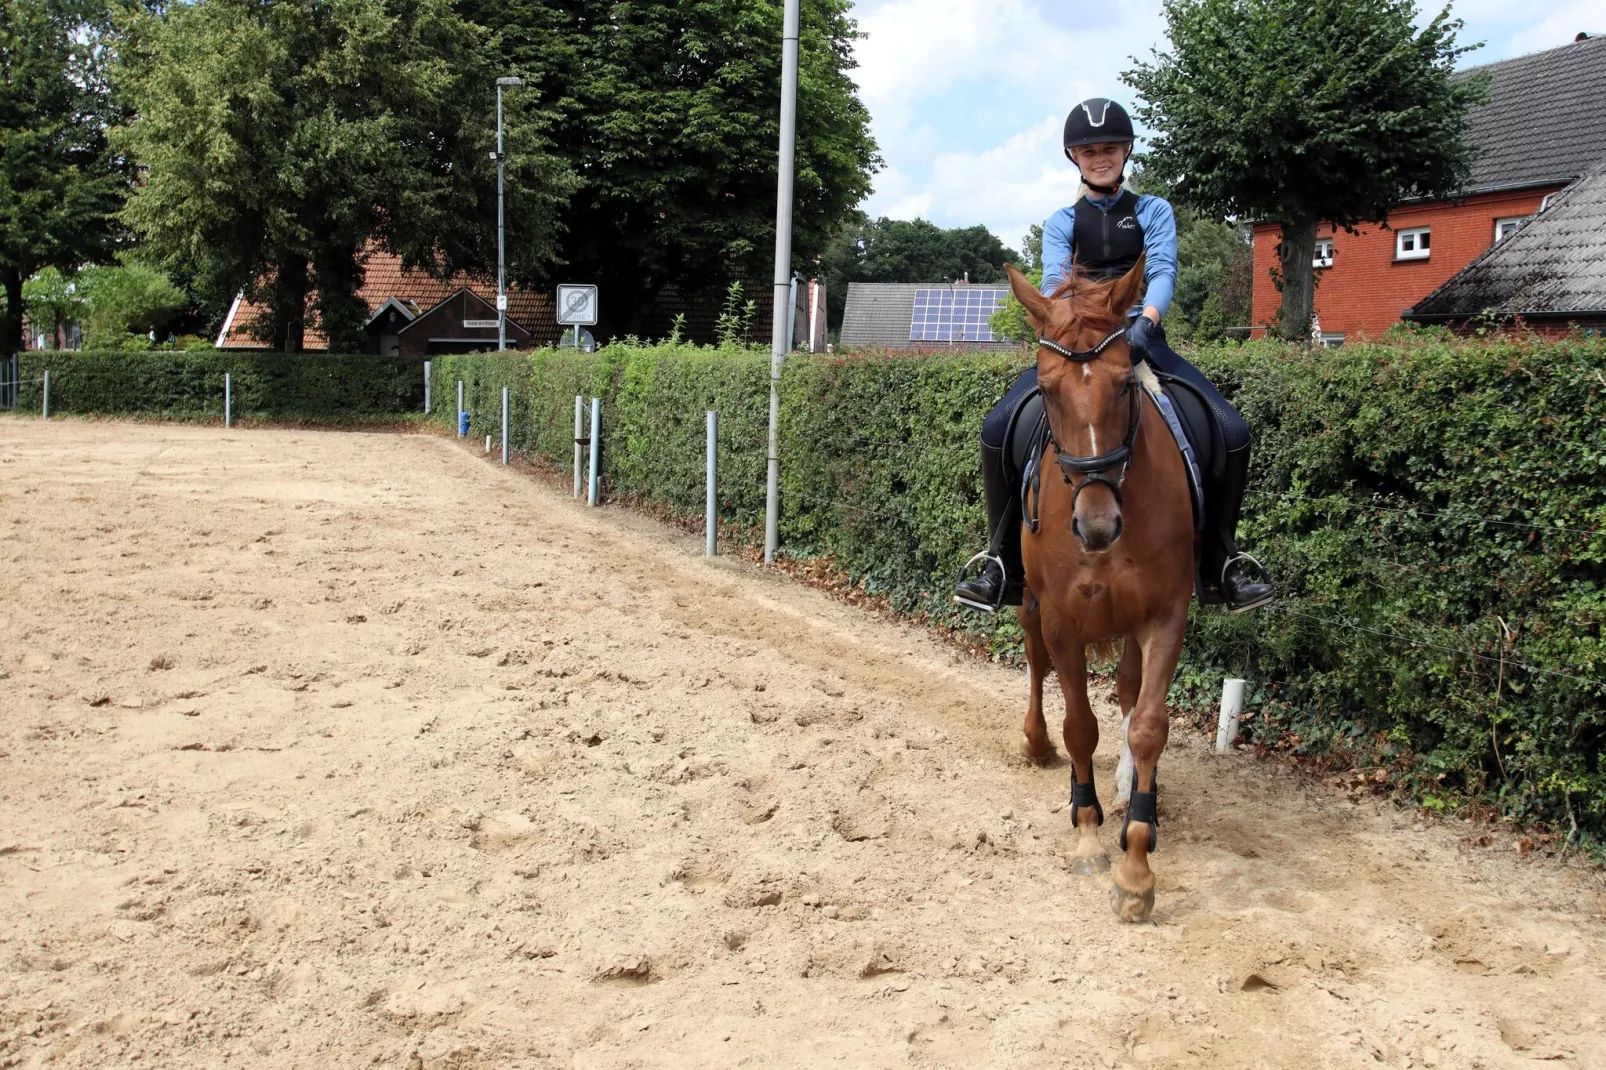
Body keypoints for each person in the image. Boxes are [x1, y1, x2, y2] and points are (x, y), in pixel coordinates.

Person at [953, 97, 1275, 615]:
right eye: (1088, 150)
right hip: (1078, 348)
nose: (1099, 157)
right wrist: (1077, 331)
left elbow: (1164, 270)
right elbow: (1057, 286)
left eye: (1108, 148)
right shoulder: (1062, 222)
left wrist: (1146, 321)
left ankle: (1223, 563)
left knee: (1232, 431)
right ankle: (1002, 564)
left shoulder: (1152, 211)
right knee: (997, 429)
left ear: (1125, 151)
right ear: (1074, 158)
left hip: (1141, 339)